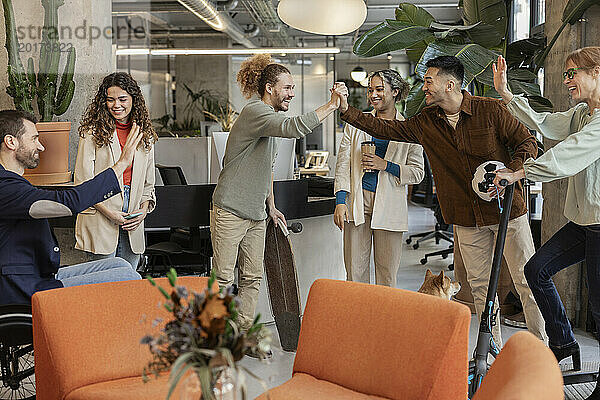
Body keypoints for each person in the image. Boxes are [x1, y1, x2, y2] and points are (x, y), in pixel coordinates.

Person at [334, 56, 547, 347]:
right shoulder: (426, 122)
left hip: (507, 210)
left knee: (526, 281)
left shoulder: (490, 110)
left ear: (450, 84)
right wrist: (347, 111)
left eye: (428, 80)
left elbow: (527, 141)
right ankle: (492, 350)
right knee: (481, 287)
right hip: (465, 216)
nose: (423, 87)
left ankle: (541, 347)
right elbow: (386, 129)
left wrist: (513, 170)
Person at [492, 48, 600, 397]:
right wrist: (507, 94)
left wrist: (521, 172)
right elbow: (550, 123)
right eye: (565, 74)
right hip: (585, 222)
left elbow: (567, 155)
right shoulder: (584, 113)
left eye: (573, 74)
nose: (566, 81)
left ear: (596, 72)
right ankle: (564, 341)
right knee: (536, 269)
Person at [210, 54, 341, 336]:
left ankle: (243, 336)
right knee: (222, 278)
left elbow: (266, 168)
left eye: (293, 88)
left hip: (256, 212)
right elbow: (292, 128)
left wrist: (271, 205)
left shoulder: (267, 120)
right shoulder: (255, 111)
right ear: (269, 88)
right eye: (287, 88)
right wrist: (331, 106)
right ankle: (215, 337)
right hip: (231, 209)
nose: (291, 94)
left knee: (252, 277)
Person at [0, 110, 142, 305]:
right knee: (129, 278)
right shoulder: (4, 187)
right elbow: (68, 202)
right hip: (22, 289)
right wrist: (121, 164)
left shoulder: (11, 183)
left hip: (35, 277)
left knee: (121, 265)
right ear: (11, 142)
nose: (40, 146)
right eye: (34, 139)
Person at [334, 69, 424, 287]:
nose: (373, 94)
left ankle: (384, 319)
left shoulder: (409, 129)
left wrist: (387, 165)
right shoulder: (357, 123)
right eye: (370, 90)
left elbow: (418, 173)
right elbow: (343, 163)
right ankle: (359, 319)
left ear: (395, 91)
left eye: (379, 89)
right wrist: (340, 201)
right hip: (358, 201)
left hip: (390, 204)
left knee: (387, 273)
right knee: (355, 271)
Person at [74, 72, 157, 270]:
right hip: (101, 210)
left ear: (133, 100)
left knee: (129, 282)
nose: (116, 105)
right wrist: (109, 213)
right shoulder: (92, 132)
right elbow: (83, 182)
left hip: (133, 217)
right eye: (110, 100)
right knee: (102, 284)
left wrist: (143, 211)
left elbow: (149, 185)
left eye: (122, 99)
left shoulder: (145, 135)